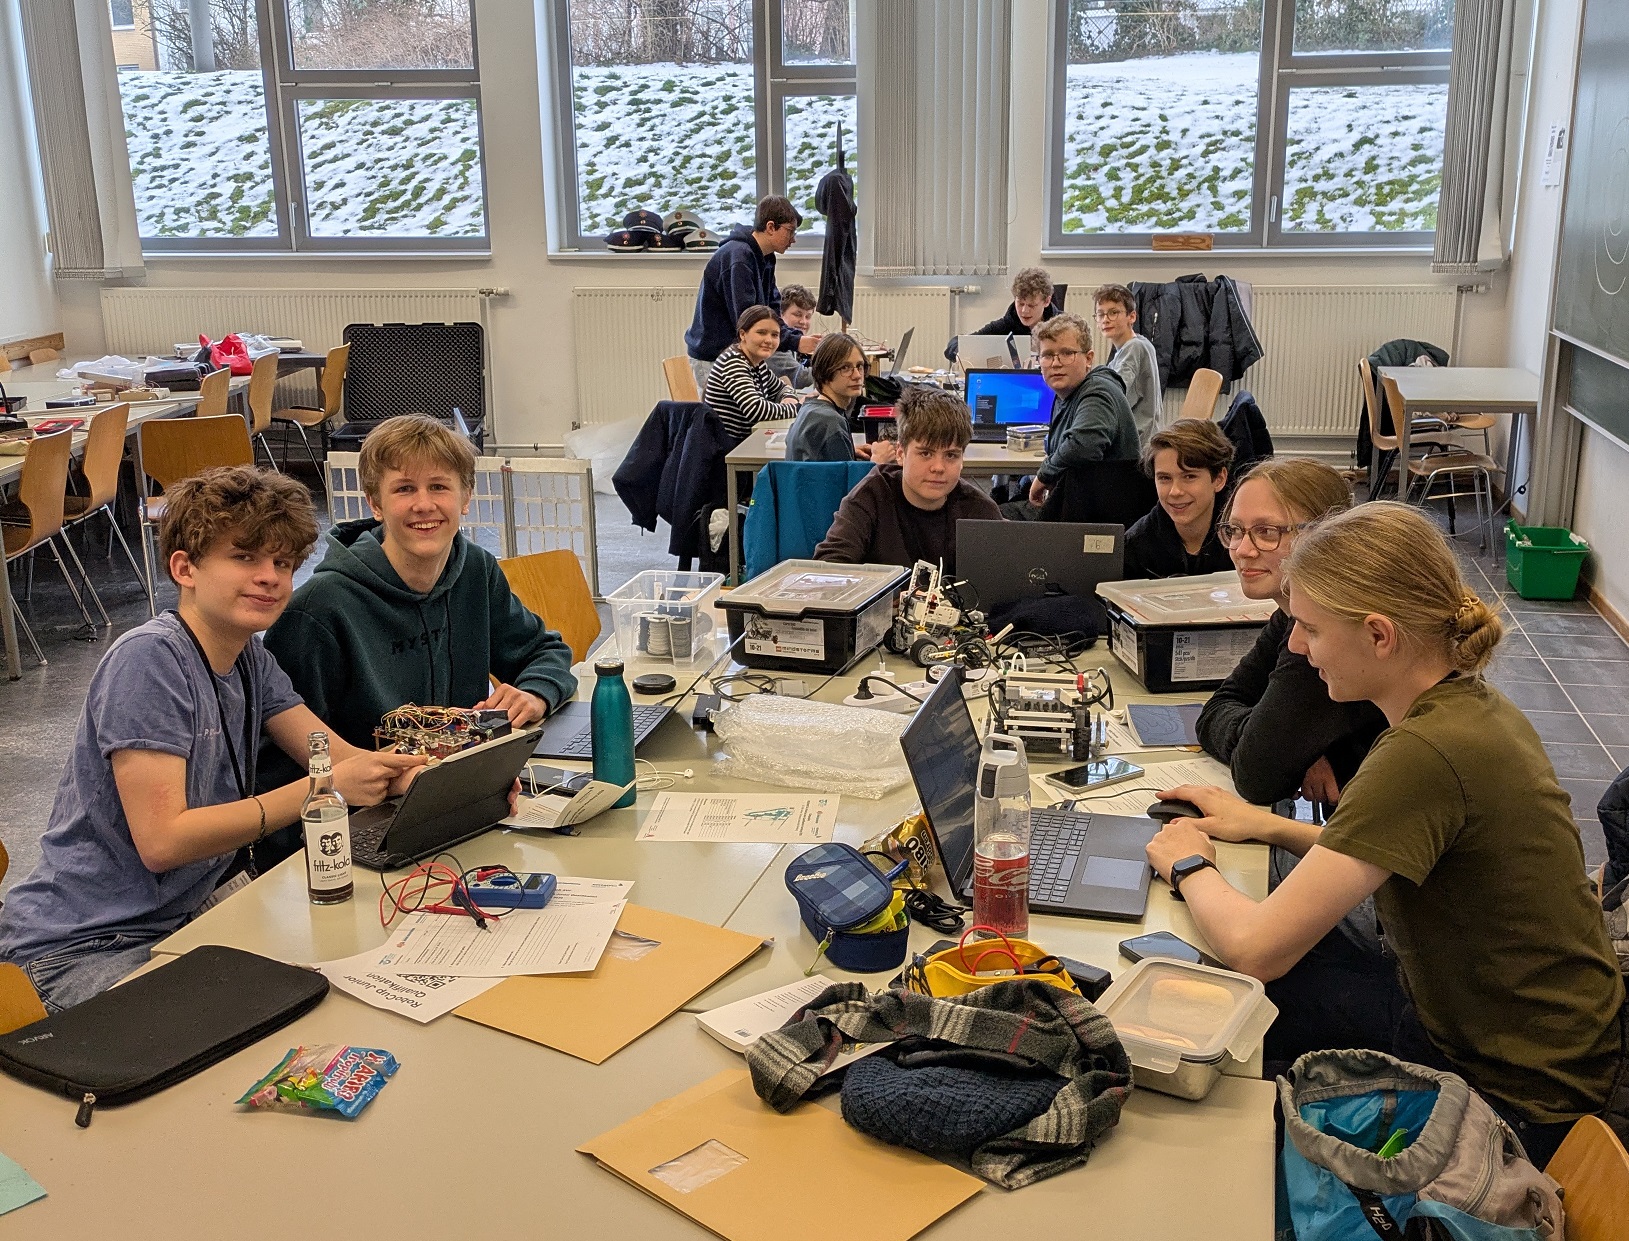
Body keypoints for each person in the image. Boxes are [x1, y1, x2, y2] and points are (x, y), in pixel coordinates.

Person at [1149, 501, 1628, 1166]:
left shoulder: (1422, 753)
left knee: (1215, 1055)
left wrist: (1188, 863)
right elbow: (1393, 850)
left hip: (1517, 1096)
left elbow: (1256, 949)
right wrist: (1267, 825)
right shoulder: (1466, 707)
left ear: (1378, 635)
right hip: (1527, 1041)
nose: (1296, 647)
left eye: (1309, 628)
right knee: (1251, 1007)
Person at [0, 467, 428, 1012]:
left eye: (282, 563)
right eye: (244, 557)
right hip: (82, 948)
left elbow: (337, 759)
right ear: (185, 568)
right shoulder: (149, 661)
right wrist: (322, 791)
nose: (269, 577)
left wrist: (429, 778)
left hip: (187, 922)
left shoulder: (250, 658)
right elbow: (164, 841)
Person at [260, 416, 577, 808]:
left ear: (466, 497)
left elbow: (544, 651)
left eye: (439, 486)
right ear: (375, 503)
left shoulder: (475, 569)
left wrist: (535, 692)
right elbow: (283, 760)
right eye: (404, 488)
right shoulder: (318, 609)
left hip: (459, 791)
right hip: (365, 810)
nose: (424, 504)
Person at [1196, 458, 1386, 809]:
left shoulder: (1335, 630)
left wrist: (1280, 744)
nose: (1242, 550)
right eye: (1235, 530)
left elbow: (1257, 774)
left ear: (1325, 534)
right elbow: (1216, 708)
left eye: (1267, 532)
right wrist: (1296, 747)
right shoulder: (1291, 614)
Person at [815, 386, 1000, 573]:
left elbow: (1002, 581)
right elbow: (828, 569)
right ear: (901, 454)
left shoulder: (980, 511)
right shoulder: (870, 497)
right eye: (926, 453)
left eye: (951, 455)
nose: (938, 467)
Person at [684, 195, 819, 389]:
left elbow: (772, 311)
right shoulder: (739, 257)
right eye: (790, 231)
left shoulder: (766, 257)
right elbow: (748, 320)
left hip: (736, 356)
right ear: (770, 227)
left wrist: (795, 338)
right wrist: (796, 342)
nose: (793, 239)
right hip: (715, 358)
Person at [1027, 312, 1139, 511]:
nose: (1056, 363)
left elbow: (1084, 445)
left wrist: (1043, 475)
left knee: (987, 520)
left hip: (1099, 515)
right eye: (1047, 355)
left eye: (1067, 353)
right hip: (1074, 503)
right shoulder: (1065, 394)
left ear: (1088, 358)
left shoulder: (1098, 392)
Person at [1121, 419, 1234, 579]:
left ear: (1219, 479)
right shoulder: (1136, 546)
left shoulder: (1244, 539)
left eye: (1189, 476)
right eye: (1165, 478)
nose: (1175, 491)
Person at [786, 333, 895, 465]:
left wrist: (847, 450)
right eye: (845, 368)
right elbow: (849, 479)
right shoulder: (831, 422)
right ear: (824, 372)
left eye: (859, 366)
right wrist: (878, 462)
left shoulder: (809, 408)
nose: (857, 375)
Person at [702, 305, 803, 447]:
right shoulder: (733, 362)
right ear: (742, 334)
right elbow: (756, 410)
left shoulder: (757, 363)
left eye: (775, 335)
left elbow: (781, 388)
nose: (769, 340)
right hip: (728, 449)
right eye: (761, 333)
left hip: (745, 441)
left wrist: (789, 397)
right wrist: (798, 408)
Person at [944, 267, 1060, 364]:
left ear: (1046, 301)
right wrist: (960, 352)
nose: (1024, 311)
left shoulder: (1062, 326)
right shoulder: (1007, 324)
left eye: (1031, 305)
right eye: (1020, 304)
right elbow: (956, 343)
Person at [1093, 283, 1162, 446]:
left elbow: (1114, 394)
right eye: (1100, 314)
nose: (1105, 320)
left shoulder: (1134, 347)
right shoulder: (1136, 344)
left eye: (1113, 313)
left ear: (1132, 317)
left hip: (1135, 443)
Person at [768, 284, 817, 390]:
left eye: (808, 316)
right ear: (780, 315)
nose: (803, 322)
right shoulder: (775, 344)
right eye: (797, 315)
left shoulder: (794, 345)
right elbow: (801, 378)